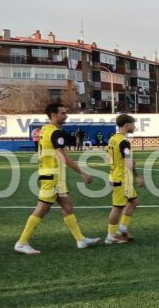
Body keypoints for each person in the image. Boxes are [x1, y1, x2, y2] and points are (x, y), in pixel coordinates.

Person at [14, 102, 99, 254]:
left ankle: (80, 240)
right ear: (53, 115)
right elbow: (64, 156)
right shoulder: (55, 132)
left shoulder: (45, 129)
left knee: (68, 207)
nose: (66, 116)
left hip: (54, 176)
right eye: (63, 113)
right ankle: (21, 242)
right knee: (42, 209)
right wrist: (82, 173)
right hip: (51, 176)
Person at [105, 114, 144, 244]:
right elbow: (127, 161)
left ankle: (122, 227)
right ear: (127, 125)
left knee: (134, 201)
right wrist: (137, 176)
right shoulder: (124, 141)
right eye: (133, 124)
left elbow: (110, 158)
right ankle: (111, 236)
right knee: (117, 207)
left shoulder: (113, 139)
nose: (134, 126)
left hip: (119, 175)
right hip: (120, 178)